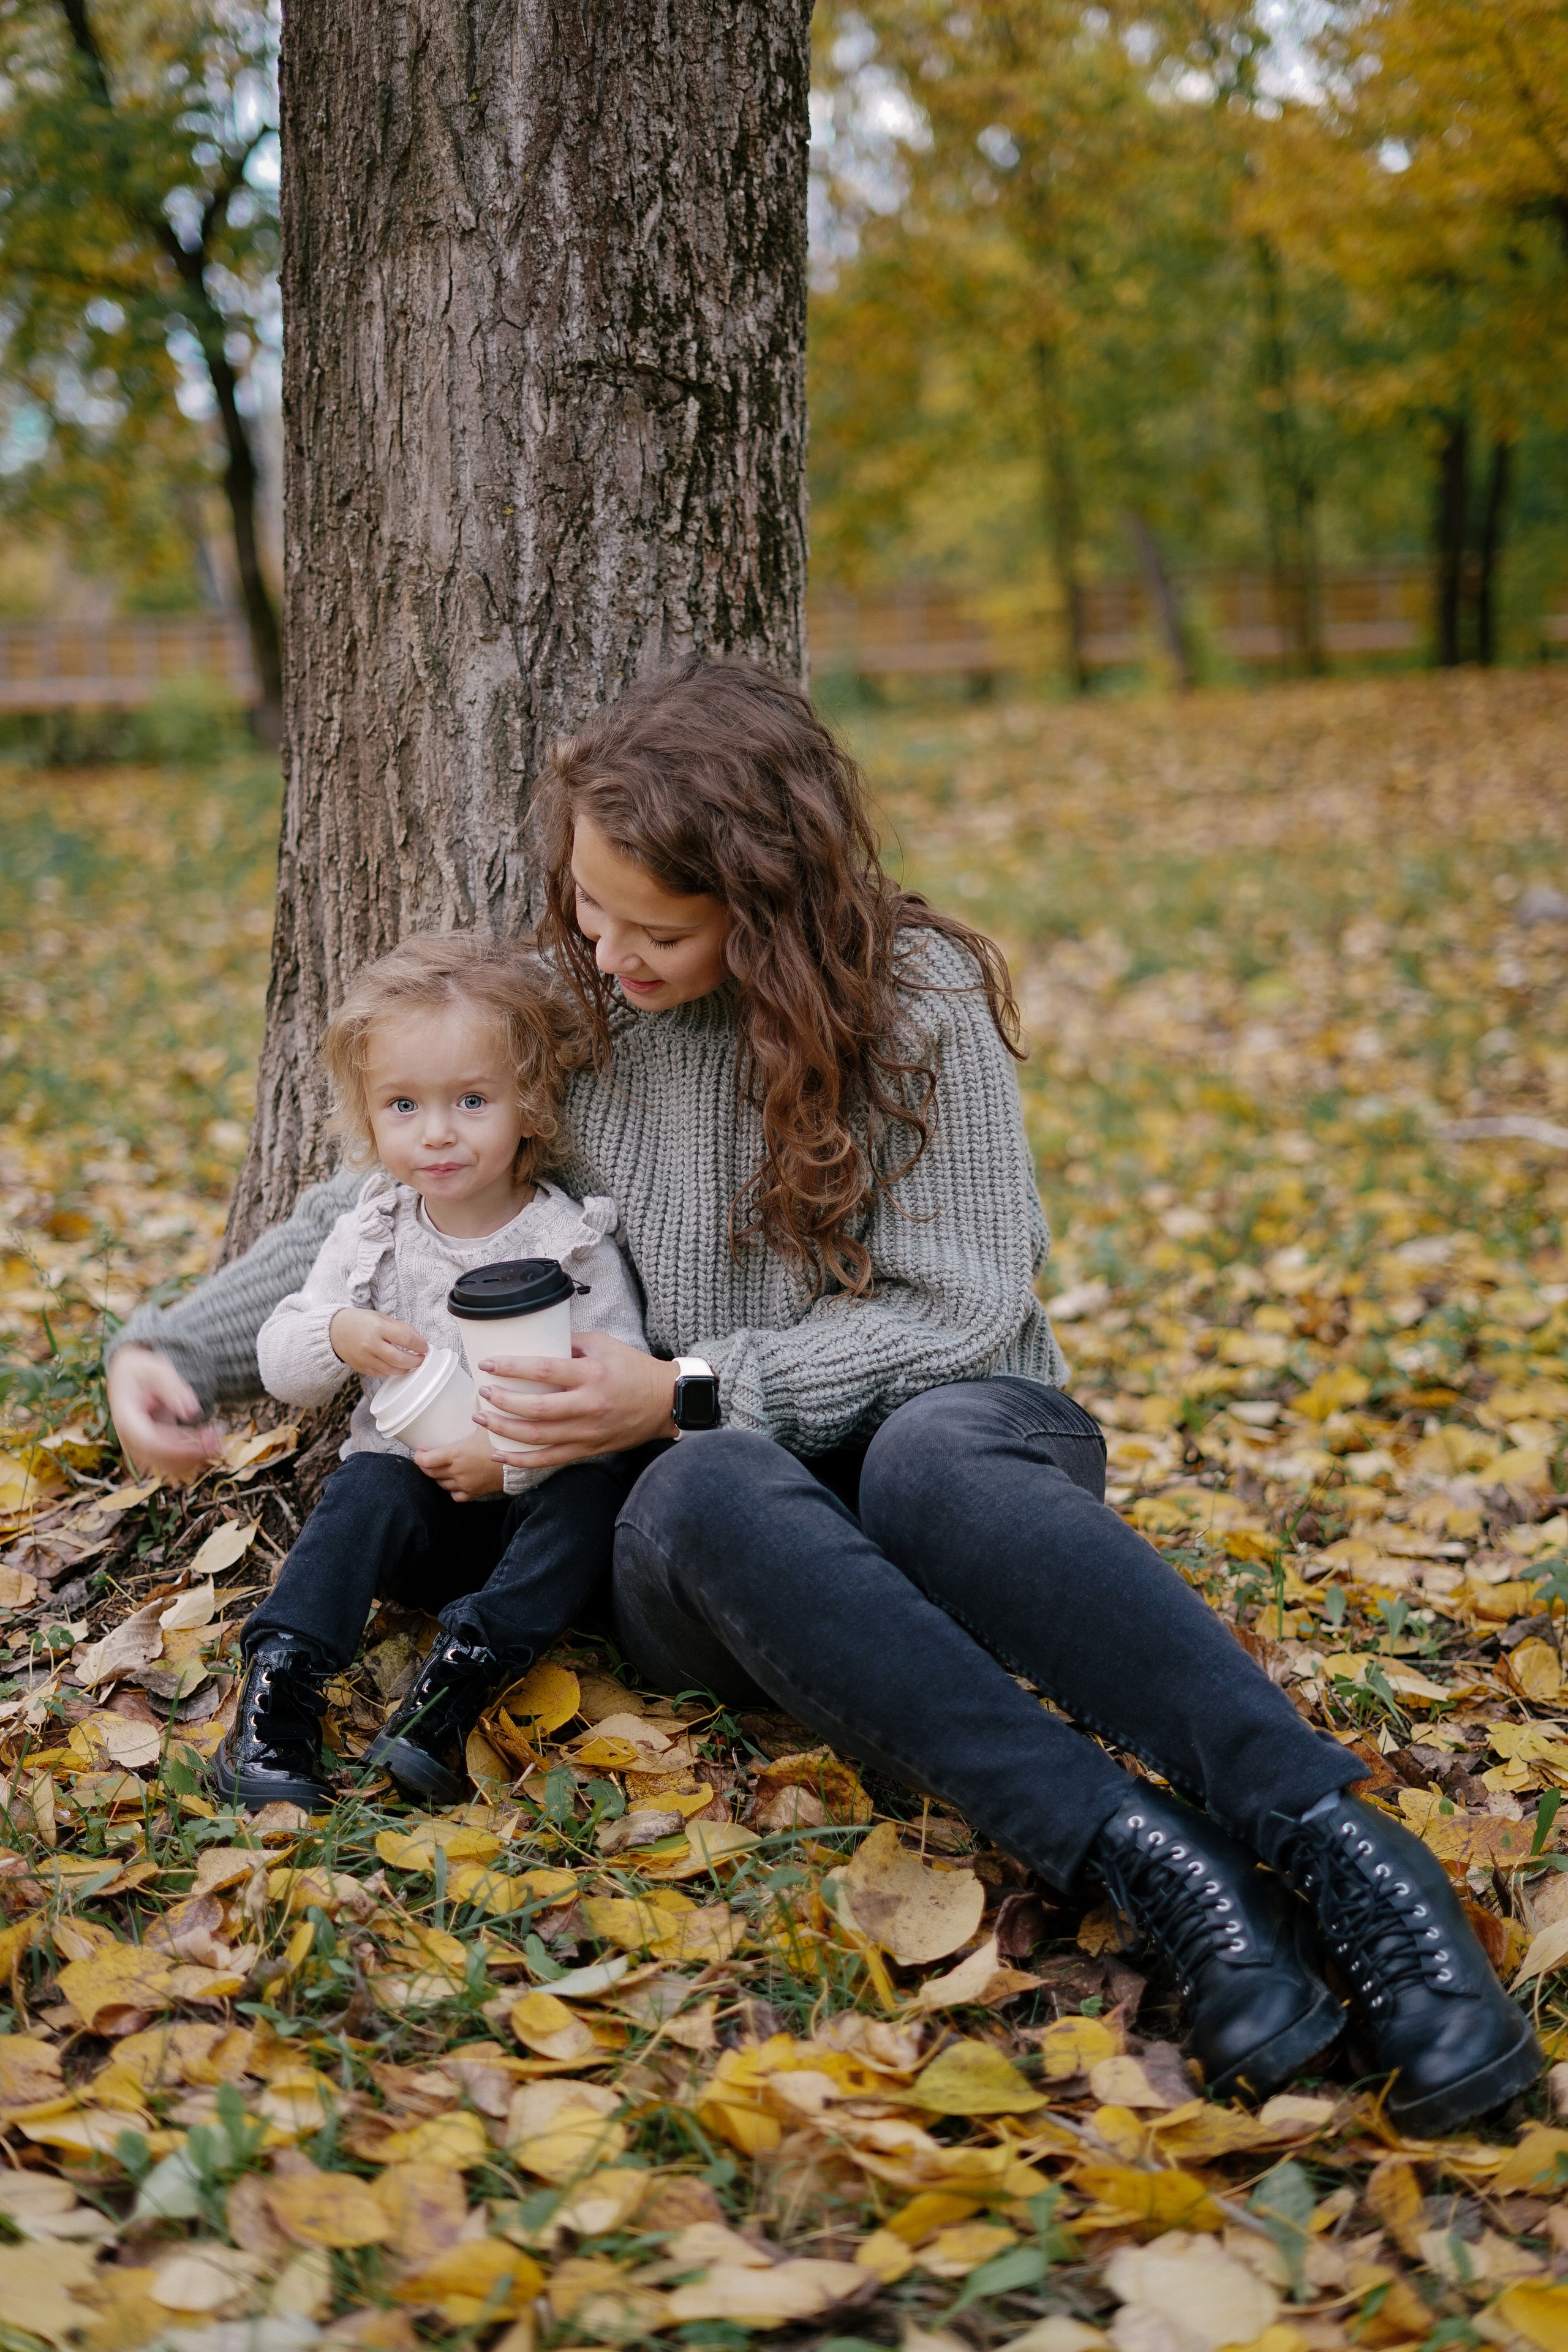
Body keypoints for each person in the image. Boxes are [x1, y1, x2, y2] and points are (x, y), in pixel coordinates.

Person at [108, 659, 1539, 2133]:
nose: (606, 952)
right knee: (703, 1475)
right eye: (587, 906)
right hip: (726, 1547)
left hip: (960, 1459)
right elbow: (369, 1205)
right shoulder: (574, 1016)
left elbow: (967, 1311)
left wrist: (688, 1382)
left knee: (922, 1455)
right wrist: (173, 1350)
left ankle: (1348, 1859)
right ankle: (1159, 1872)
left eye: (658, 928)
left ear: (767, 899)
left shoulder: (913, 1003)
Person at [219, 933, 647, 1809]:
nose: (438, 1132)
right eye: (404, 1105)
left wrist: (510, 1461)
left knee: (589, 1497)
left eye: (473, 1101)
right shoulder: (373, 1233)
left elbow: (618, 1398)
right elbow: (282, 1363)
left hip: (531, 1533)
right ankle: (279, 1687)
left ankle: (453, 1692)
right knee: (364, 1484)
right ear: (369, 1116)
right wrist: (338, 1334)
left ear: (531, 1104)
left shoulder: (570, 1244)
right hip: (417, 1518)